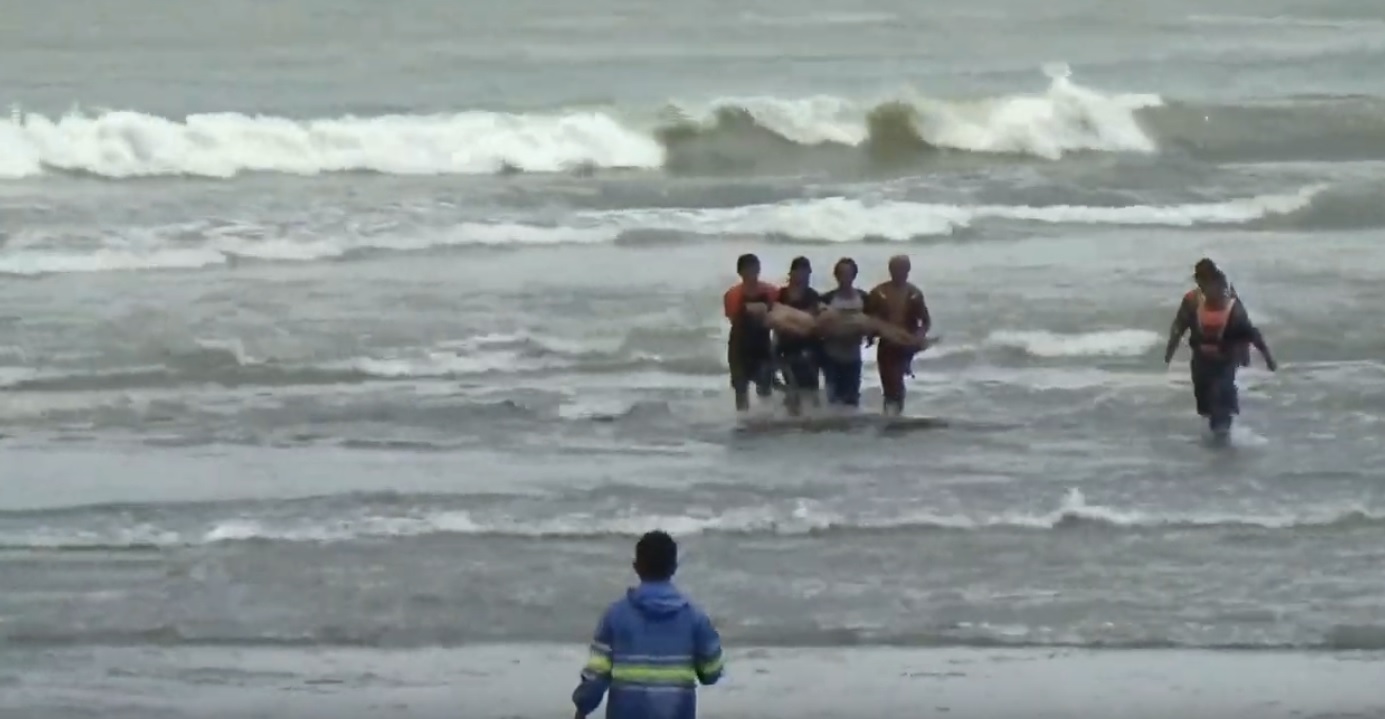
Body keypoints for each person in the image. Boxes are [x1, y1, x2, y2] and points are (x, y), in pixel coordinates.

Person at [572, 530, 725, 719]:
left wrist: (582, 707)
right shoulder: (694, 617)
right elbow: (711, 672)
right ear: (674, 568)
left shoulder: (616, 615)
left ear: (637, 567)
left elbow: (597, 673)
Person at [1162, 269, 1277, 435]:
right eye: (1204, 287)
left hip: (1226, 360)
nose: (1209, 292)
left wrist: (1267, 358)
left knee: (1221, 394)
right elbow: (1179, 325)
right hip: (1201, 360)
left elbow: (1251, 334)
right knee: (1205, 403)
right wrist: (1170, 350)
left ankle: (1223, 436)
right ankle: (1216, 431)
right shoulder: (1194, 302)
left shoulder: (1234, 309)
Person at [866, 255, 931, 416]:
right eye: (895, 268)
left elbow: (925, 321)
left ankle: (896, 414)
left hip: (906, 345)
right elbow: (867, 318)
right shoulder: (879, 292)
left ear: (908, 270)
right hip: (886, 344)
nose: (899, 272)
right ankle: (890, 413)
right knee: (888, 381)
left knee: (897, 381)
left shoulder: (914, 294)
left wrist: (919, 336)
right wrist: (870, 334)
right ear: (890, 270)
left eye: (903, 269)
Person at [722, 253, 779, 412]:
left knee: (765, 389)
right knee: (740, 389)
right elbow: (734, 317)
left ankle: (766, 419)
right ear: (740, 273)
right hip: (739, 346)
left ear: (759, 269)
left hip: (762, 345)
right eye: (748, 270)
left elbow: (779, 316)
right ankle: (743, 421)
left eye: (754, 269)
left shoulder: (771, 292)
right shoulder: (732, 295)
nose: (752, 273)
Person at [817, 257, 871, 408]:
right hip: (831, 356)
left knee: (852, 400)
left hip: (853, 357)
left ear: (854, 275)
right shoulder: (827, 298)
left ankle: (850, 431)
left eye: (848, 274)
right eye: (841, 274)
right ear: (836, 275)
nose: (845, 277)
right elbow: (818, 327)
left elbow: (873, 322)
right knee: (833, 400)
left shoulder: (864, 298)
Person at [775, 256, 823, 415]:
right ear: (792, 273)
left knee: (811, 387)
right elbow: (775, 320)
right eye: (800, 272)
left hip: (809, 348)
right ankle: (793, 418)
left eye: (807, 273)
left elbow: (815, 321)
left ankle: (811, 418)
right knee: (792, 386)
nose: (803, 276)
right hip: (786, 348)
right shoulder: (781, 294)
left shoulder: (812, 295)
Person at [1191, 258, 1250, 367]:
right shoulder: (1205, 280)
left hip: (1228, 306)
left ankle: (1244, 358)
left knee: (1240, 329)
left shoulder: (1220, 280)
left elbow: (1229, 295)